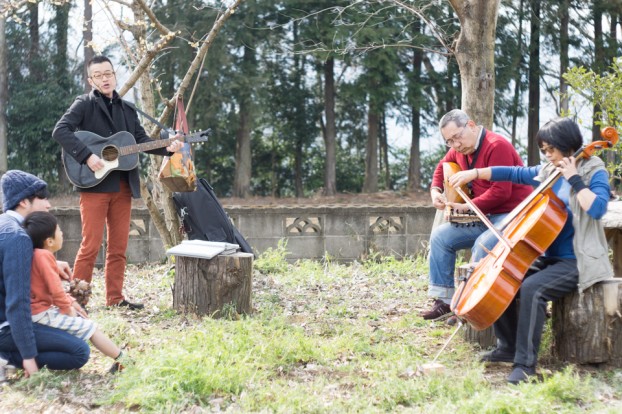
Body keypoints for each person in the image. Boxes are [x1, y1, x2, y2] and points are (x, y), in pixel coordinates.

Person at [448, 117, 612, 384]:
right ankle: (508, 346)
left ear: (567, 146)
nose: (547, 155)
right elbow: (515, 173)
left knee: (532, 289)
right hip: (548, 257)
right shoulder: (550, 170)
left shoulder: (593, 170)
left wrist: (574, 179)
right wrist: (476, 173)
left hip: (578, 261)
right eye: (544, 151)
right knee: (500, 276)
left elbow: (597, 208)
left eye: (551, 149)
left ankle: (525, 365)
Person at [53, 55, 183, 309]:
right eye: (98, 75)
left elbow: (142, 142)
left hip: (122, 185)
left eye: (108, 74)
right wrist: (88, 156)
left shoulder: (127, 109)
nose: (105, 78)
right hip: (94, 186)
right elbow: (61, 130)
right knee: (90, 245)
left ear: (114, 75)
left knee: (118, 246)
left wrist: (170, 147)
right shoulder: (83, 104)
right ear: (91, 80)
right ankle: (77, 301)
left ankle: (115, 298)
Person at [420, 109, 532, 321]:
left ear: (470, 125)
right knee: (440, 237)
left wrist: (467, 207)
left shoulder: (496, 146)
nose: (455, 145)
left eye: (457, 137)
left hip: (513, 216)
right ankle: (444, 301)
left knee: (482, 245)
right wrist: (435, 191)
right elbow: (440, 168)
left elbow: (501, 192)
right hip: (486, 215)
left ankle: (471, 305)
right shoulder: (459, 149)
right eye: (449, 141)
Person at [0, 170, 90, 381]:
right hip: (5, 327)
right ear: (23, 202)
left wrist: (51, 263)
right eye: (42, 198)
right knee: (79, 351)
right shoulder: (18, 237)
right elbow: (17, 303)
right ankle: (6, 357)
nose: (48, 204)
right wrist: (28, 356)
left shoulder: (7, 226)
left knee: (71, 334)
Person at [23, 211, 128, 374]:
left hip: (38, 312)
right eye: (58, 230)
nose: (62, 233)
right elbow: (55, 288)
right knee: (90, 328)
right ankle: (124, 361)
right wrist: (67, 308)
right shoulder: (44, 256)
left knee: (83, 326)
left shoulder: (34, 255)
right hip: (41, 314)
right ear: (49, 241)